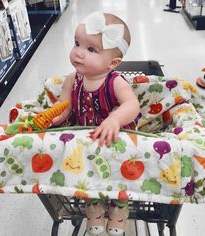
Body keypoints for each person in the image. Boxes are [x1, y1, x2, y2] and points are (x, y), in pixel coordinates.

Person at [52, 11, 140, 236]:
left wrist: (115, 119)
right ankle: (95, 212)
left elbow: (132, 105)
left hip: (114, 142)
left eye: (91, 49)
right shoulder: (73, 79)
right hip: (86, 142)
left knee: (119, 179)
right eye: (77, 43)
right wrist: (57, 117)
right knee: (87, 179)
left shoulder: (115, 82)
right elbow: (65, 104)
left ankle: (119, 214)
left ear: (113, 63)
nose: (78, 53)